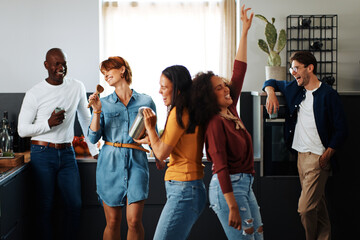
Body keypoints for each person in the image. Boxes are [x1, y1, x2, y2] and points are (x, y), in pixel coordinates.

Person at [191, 5, 263, 239]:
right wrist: (231, 204)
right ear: (209, 96)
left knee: (257, 237)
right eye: (219, 88)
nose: (226, 88)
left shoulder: (230, 109)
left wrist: (244, 31)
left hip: (244, 186)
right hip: (227, 191)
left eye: (225, 85)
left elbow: (239, 71)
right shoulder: (214, 123)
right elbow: (219, 165)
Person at [263, 50, 347, 240]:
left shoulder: (328, 95)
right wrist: (271, 94)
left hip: (319, 159)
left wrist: (328, 154)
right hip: (300, 158)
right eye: (292, 68)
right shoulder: (295, 88)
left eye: (296, 68)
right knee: (318, 205)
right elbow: (271, 82)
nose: (293, 72)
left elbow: (342, 130)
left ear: (310, 68)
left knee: (305, 208)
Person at [18, 48, 99, 240]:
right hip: (42, 153)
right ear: (46, 65)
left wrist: (94, 149)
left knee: (74, 205)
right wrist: (48, 124)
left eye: (64, 63)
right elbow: (22, 130)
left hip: (67, 153)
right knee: (45, 208)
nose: (61, 68)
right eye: (56, 64)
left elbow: (85, 119)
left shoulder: (76, 86)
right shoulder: (34, 93)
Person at [87, 56, 156, 240]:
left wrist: (158, 154)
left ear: (122, 70)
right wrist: (97, 111)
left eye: (109, 70)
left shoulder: (146, 101)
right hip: (110, 164)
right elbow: (93, 137)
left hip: (137, 163)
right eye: (103, 73)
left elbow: (154, 136)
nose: (106, 75)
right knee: (113, 222)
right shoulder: (104, 102)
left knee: (134, 222)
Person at [134, 65, 206, 240]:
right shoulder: (189, 110)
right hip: (190, 187)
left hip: (184, 188)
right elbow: (171, 147)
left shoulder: (178, 112)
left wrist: (150, 127)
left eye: (164, 87)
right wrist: (152, 140)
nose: (160, 91)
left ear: (178, 89)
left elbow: (161, 154)